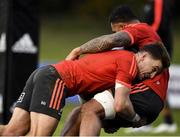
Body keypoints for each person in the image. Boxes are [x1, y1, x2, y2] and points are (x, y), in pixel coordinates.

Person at [0, 42, 170, 136]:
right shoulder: (130, 63)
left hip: (43, 74)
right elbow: (120, 104)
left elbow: (87, 88)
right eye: (154, 68)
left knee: (11, 132)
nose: (151, 75)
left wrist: (107, 121)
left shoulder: (117, 57)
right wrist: (135, 119)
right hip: (56, 81)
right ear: (144, 56)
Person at [60, 5, 171, 136]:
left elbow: (114, 40)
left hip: (148, 91)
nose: (115, 34)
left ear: (123, 27)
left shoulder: (141, 29)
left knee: (90, 109)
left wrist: (78, 50)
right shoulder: (133, 53)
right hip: (148, 97)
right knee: (78, 113)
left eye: (115, 30)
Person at [140, 0, 177, 133]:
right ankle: (163, 122)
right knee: (153, 83)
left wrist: (143, 37)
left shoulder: (159, 2)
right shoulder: (151, 3)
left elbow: (159, 23)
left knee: (153, 83)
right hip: (155, 48)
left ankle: (160, 122)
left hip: (159, 49)